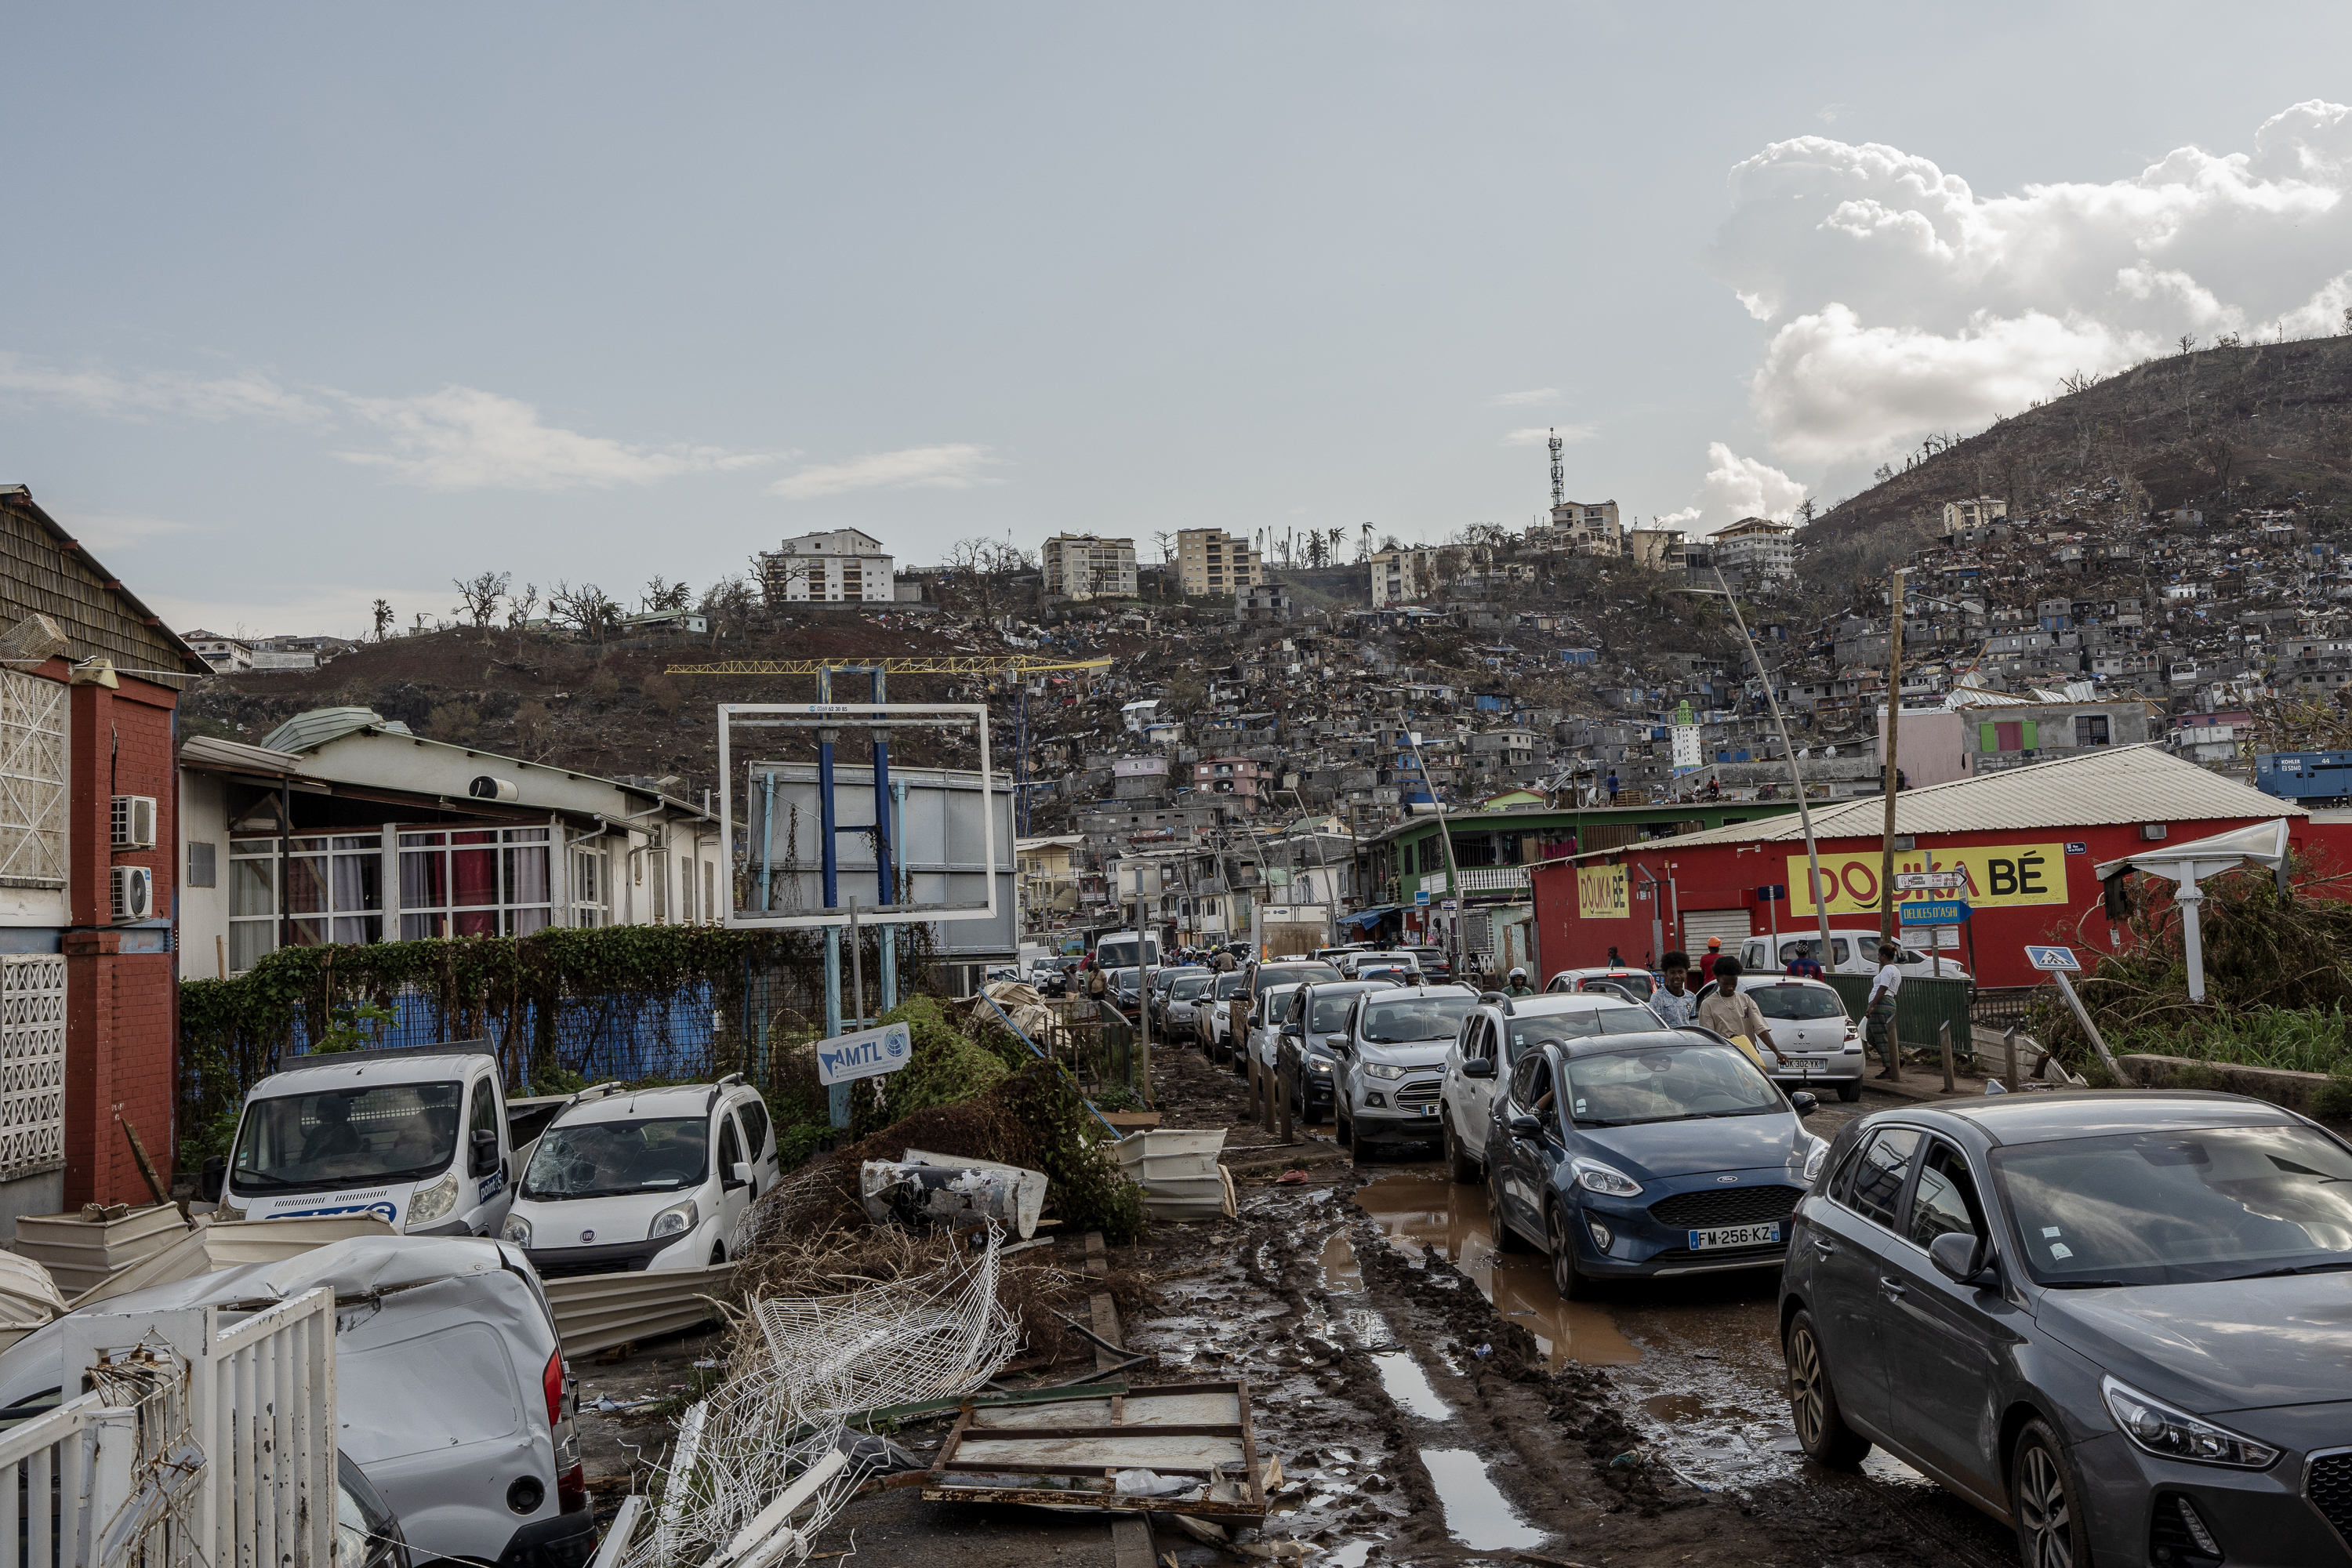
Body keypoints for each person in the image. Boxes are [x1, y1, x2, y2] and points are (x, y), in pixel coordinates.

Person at [1693, 956, 1788, 1066]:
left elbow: (1761, 1029)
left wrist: (1777, 1052)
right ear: (1718, 979)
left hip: (1748, 1059)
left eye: (1733, 984)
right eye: (1726, 984)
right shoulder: (1708, 1004)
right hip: (1724, 1061)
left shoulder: (1746, 1000)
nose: (1730, 988)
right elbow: (1709, 1038)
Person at [1865, 942, 1904, 1080]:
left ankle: (1890, 1068)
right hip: (1887, 1003)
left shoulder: (1888, 969)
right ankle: (1895, 1060)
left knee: (1881, 1037)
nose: (1878, 958)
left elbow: (1883, 988)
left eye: (1879, 955)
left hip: (1881, 1004)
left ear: (1883, 955)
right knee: (1870, 1035)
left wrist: (1872, 1006)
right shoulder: (1895, 970)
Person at [1650, 950, 1697, 1029]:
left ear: (1686, 973)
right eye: (1672, 972)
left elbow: (1692, 1023)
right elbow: (1654, 1026)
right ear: (1666, 974)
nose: (1677, 976)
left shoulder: (1691, 997)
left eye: (1680, 972)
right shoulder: (1658, 997)